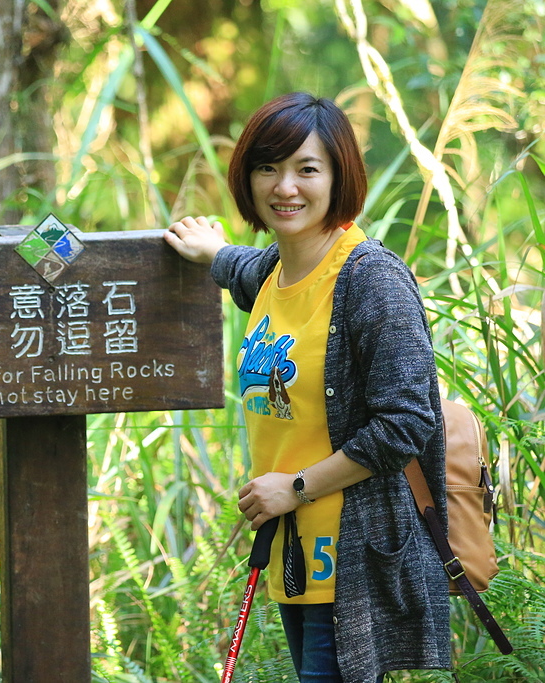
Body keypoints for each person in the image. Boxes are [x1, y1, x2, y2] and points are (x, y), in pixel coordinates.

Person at [165, 93, 451, 682]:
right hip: (295, 556)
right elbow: (242, 269)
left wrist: (295, 488)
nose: (285, 186)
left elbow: (407, 423)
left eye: (306, 169)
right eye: (267, 168)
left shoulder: (371, 280)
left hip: (353, 555)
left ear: (338, 176)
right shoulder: (275, 269)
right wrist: (211, 251)